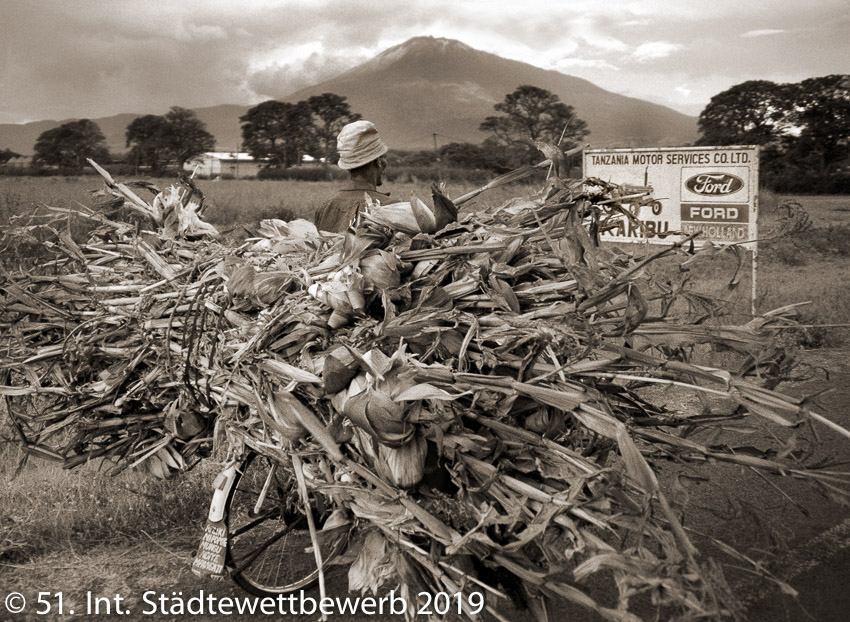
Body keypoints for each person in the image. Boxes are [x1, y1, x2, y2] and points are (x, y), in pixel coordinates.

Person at [315, 120, 390, 233]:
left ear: (349, 165)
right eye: (384, 157)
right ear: (378, 161)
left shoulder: (325, 208)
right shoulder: (391, 208)